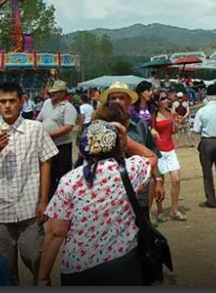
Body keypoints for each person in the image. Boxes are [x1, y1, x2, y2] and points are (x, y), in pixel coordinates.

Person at [38, 121, 150, 285]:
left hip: (79, 267)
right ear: (117, 146)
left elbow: (56, 233)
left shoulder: (69, 180)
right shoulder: (130, 170)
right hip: (122, 262)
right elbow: (151, 157)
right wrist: (125, 137)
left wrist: (43, 276)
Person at [0, 82, 59, 285]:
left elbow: (46, 163)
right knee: (5, 270)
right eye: (3, 101)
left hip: (29, 209)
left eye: (12, 101)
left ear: (21, 102)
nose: (7, 106)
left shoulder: (35, 129)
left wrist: (44, 201)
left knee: (37, 261)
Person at [99, 83, 165, 224]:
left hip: (140, 191)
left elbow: (151, 153)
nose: (117, 101)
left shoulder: (140, 124)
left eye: (121, 98)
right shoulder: (98, 126)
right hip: (109, 192)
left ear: (129, 101)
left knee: (141, 227)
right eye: (113, 98)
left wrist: (158, 180)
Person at [37, 80, 78, 200]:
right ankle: (48, 198)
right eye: (52, 92)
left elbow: (68, 128)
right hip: (46, 145)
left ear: (62, 93)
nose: (52, 94)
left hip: (62, 146)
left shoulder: (68, 108)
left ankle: (63, 198)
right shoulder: (47, 103)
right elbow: (39, 119)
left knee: (62, 174)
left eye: (55, 92)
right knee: (47, 172)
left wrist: (49, 135)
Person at [152, 91, 186, 221]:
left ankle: (174, 210)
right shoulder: (153, 116)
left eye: (167, 98)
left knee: (176, 180)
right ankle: (160, 210)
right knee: (160, 182)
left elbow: (173, 131)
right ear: (157, 102)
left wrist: (177, 125)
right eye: (163, 99)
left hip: (170, 148)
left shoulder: (171, 114)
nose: (166, 100)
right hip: (158, 151)